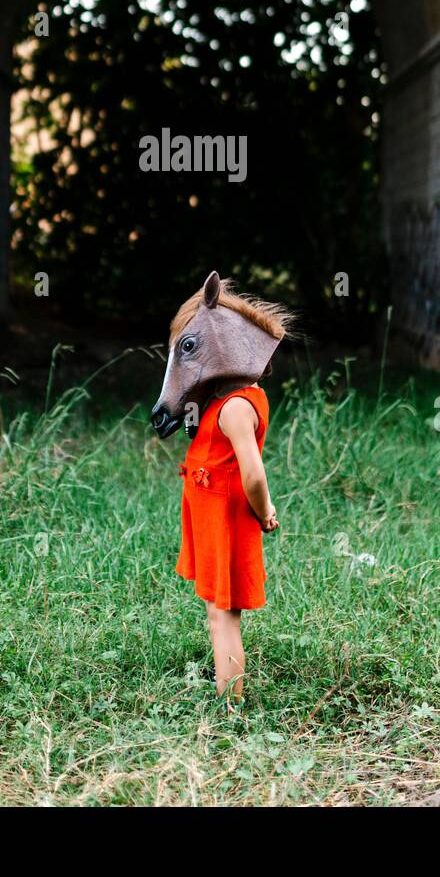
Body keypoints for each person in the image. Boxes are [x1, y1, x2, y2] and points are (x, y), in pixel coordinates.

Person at [150, 270, 292, 710]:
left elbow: (253, 473)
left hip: (226, 517)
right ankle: (227, 690)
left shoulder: (235, 408)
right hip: (213, 513)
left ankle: (230, 705)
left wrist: (265, 507)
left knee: (222, 613)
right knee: (217, 609)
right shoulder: (226, 402)